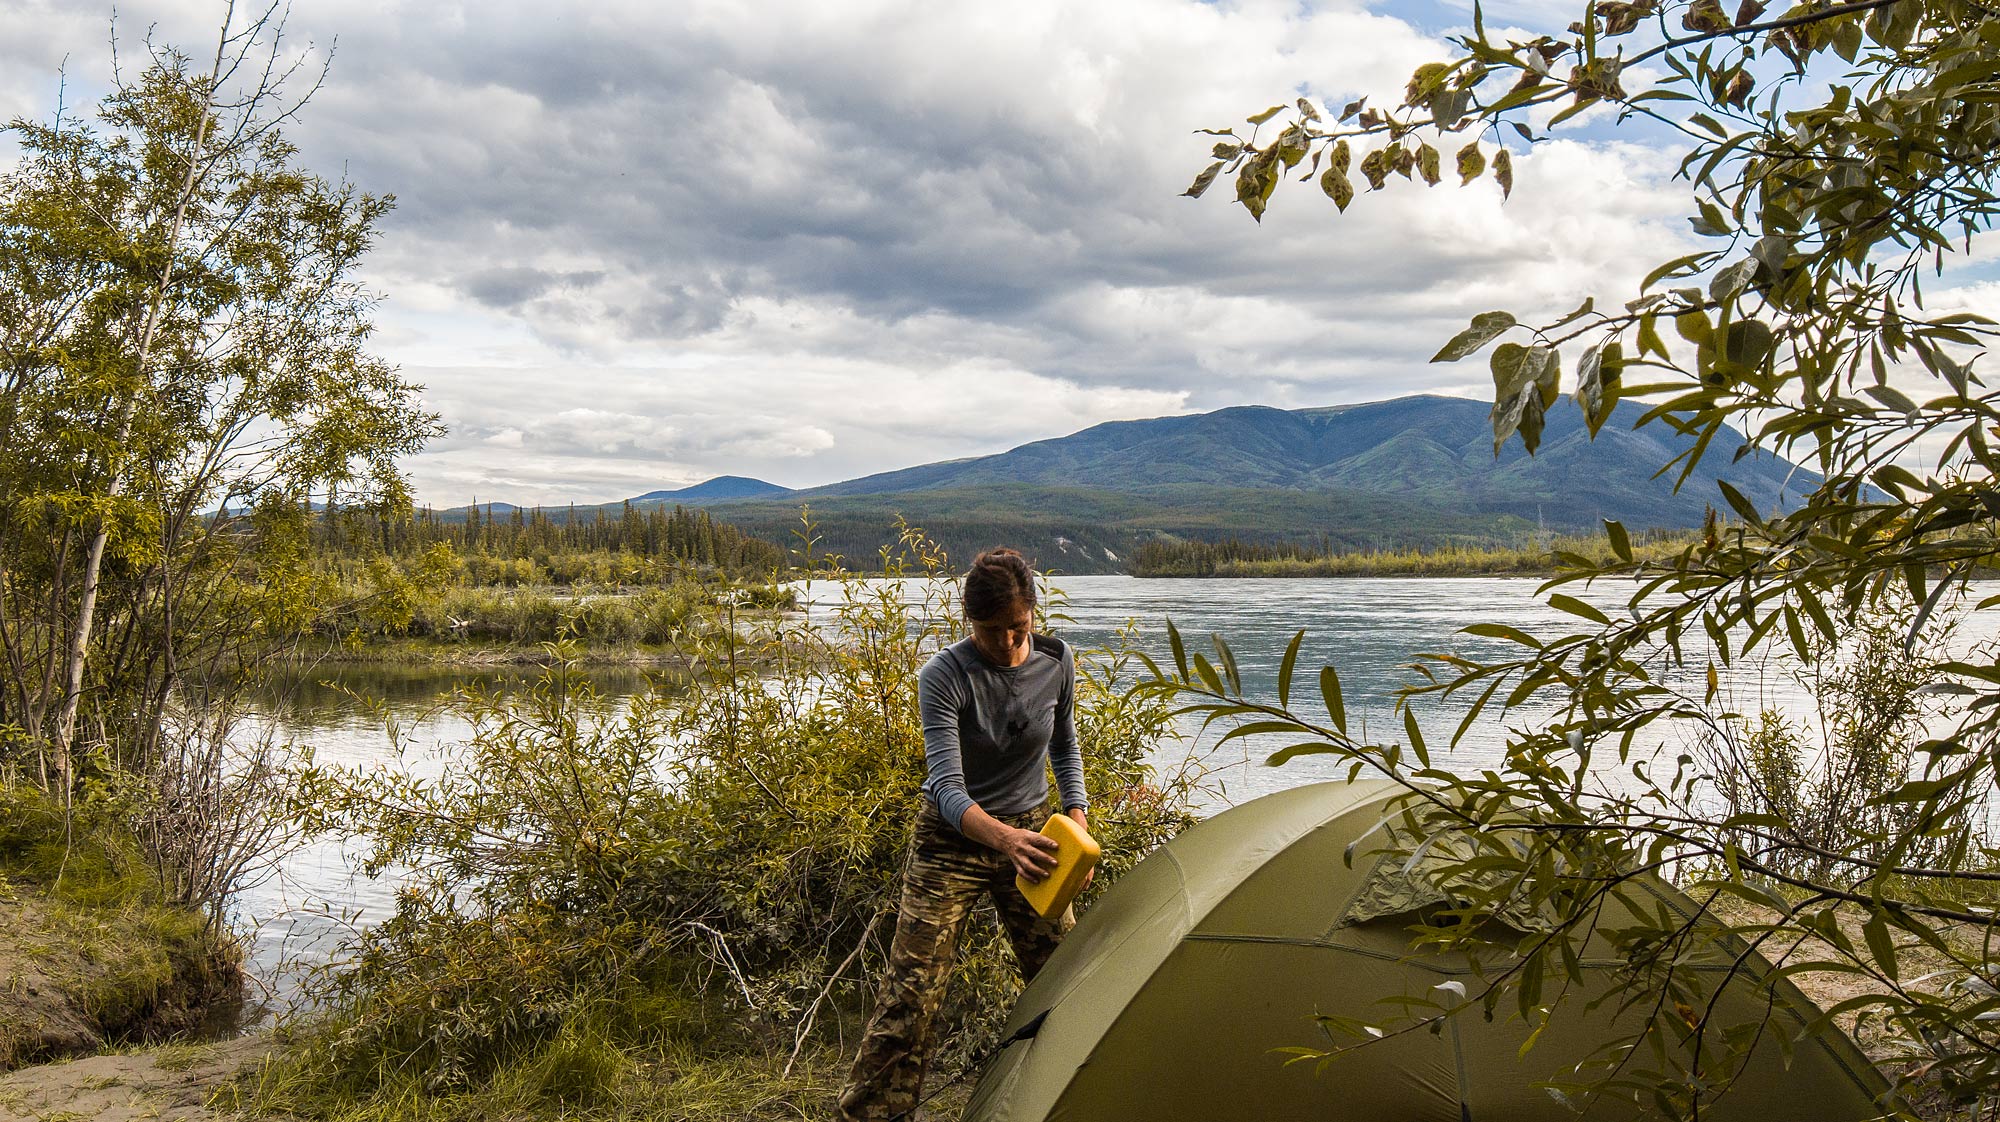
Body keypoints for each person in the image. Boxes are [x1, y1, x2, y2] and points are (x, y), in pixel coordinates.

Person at [837, 547, 1090, 1122]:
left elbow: (1064, 744)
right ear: (967, 619)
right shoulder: (943, 677)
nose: (1006, 643)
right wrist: (1005, 841)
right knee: (911, 997)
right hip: (952, 843)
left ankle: (1065, 1100)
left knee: (1066, 979)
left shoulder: (1057, 659)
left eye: (1018, 628)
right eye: (991, 630)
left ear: (1034, 613)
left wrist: (1075, 816)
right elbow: (948, 790)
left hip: (1035, 834)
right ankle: (873, 1116)